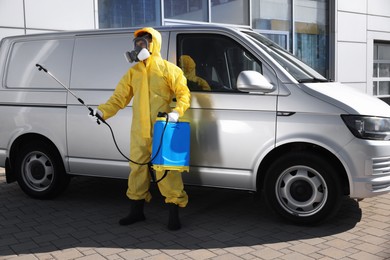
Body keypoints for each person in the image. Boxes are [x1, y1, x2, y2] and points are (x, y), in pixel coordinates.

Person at [92, 27, 191, 231]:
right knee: (137, 169)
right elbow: (119, 98)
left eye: (143, 43)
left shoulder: (169, 70)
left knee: (168, 170)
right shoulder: (133, 73)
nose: (139, 47)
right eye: (136, 44)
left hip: (163, 128)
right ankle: (136, 211)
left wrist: (177, 112)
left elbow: (184, 94)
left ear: (153, 44)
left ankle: (174, 212)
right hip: (139, 130)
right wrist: (103, 112)